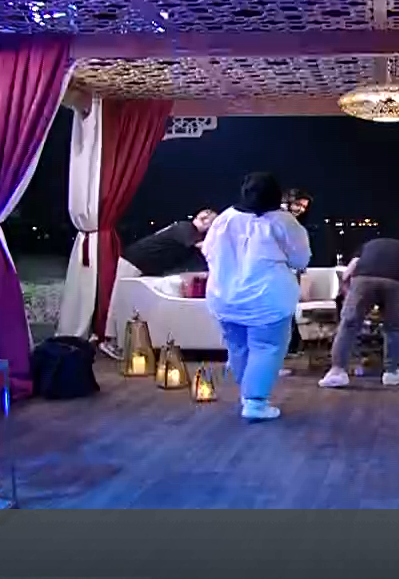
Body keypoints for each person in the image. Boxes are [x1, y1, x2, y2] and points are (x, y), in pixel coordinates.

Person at [201, 173, 311, 421]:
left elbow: (208, 252)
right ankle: (255, 402)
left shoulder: (224, 219)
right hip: (268, 299)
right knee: (267, 348)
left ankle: (247, 395)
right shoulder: (284, 222)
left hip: (225, 297)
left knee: (238, 348)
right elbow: (300, 259)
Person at [100, 210, 217, 352]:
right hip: (134, 261)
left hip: (144, 265)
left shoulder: (185, 230)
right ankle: (111, 341)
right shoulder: (186, 228)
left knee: (131, 302)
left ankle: (124, 341)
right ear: (204, 220)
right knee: (120, 300)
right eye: (213, 224)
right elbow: (203, 248)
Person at [319, 238, 399, 389]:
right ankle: (392, 372)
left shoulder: (370, 245)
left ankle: (337, 372)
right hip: (397, 284)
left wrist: (349, 294)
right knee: (394, 328)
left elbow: (347, 274)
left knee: (348, 325)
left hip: (363, 280)